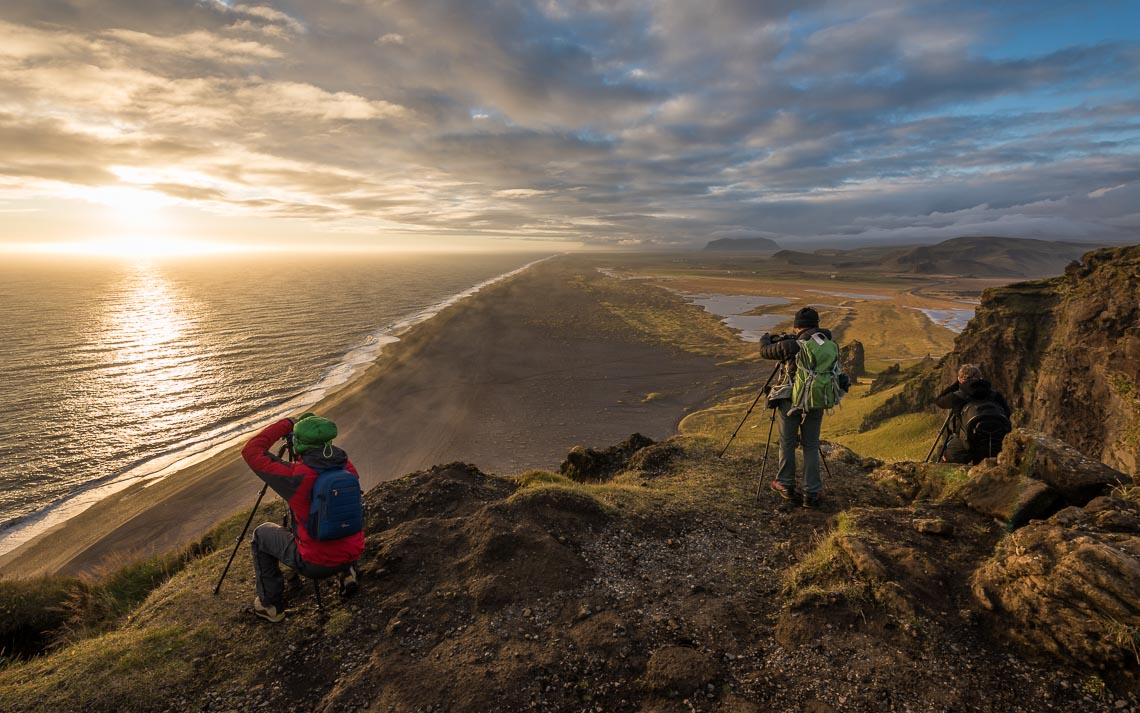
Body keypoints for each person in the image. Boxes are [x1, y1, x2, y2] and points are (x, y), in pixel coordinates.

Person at [240, 413, 365, 623]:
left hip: (315, 564)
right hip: (353, 551)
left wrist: (287, 424)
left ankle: (270, 606)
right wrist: (310, 424)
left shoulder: (295, 477)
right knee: (337, 518)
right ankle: (348, 572)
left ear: (299, 444)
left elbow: (251, 451)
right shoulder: (346, 466)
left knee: (261, 534)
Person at [759, 307, 848, 509]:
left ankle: (784, 484)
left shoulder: (793, 345)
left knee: (787, 443)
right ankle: (812, 491)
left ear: (797, 326)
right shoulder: (829, 344)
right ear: (817, 325)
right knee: (810, 445)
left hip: (791, 402)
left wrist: (766, 338)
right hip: (817, 401)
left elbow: (765, 351)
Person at [934, 364, 1012, 464]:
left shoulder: (958, 397)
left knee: (943, 452)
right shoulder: (995, 395)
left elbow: (939, 400)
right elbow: (1007, 414)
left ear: (961, 379)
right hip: (994, 442)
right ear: (981, 378)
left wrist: (957, 384)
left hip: (967, 444)